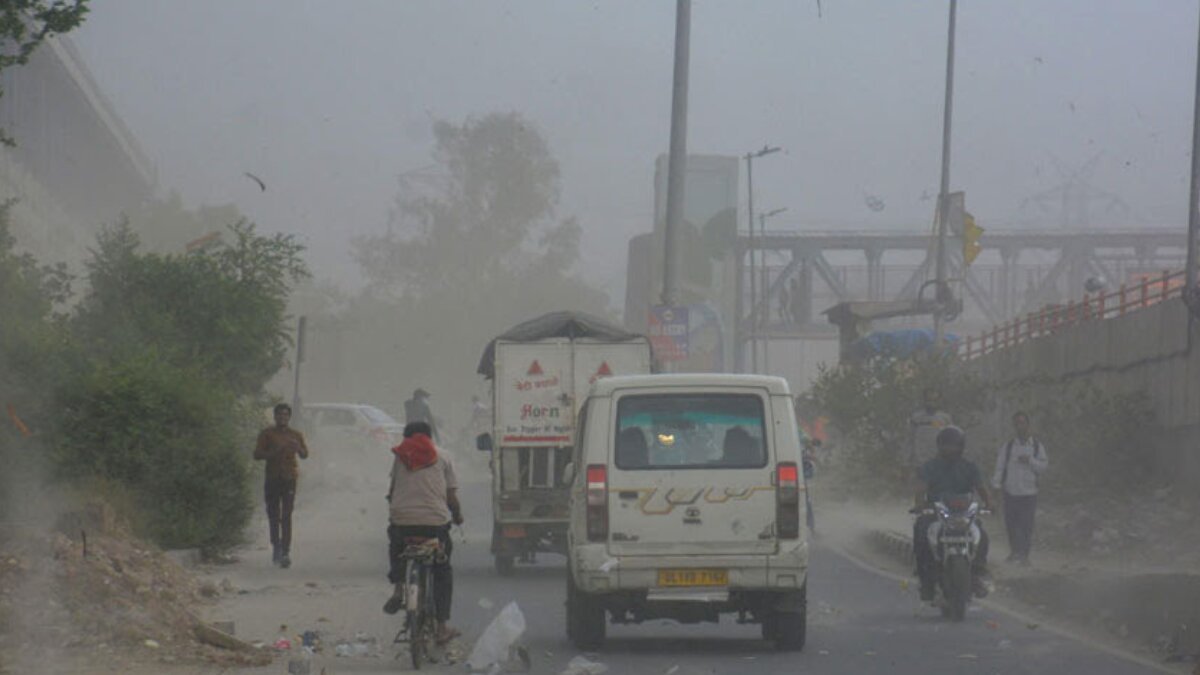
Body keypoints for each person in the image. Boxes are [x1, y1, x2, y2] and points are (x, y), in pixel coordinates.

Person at [384, 421, 463, 645]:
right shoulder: (444, 456)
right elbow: (451, 497)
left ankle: (399, 589)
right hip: (434, 524)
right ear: (429, 436)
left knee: (397, 545)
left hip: (403, 522)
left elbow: (392, 492)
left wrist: (398, 509)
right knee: (442, 570)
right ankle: (441, 628)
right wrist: (457, 516)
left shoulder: (400, 457)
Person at [912, 425, 992, 602]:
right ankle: (926, 579)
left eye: (954, 444)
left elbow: (981, 488)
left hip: (964, 515)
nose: (950, 448)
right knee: (921, 530)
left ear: (961, 446)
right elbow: (921, 489)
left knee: (982, 535)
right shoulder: (930, 467)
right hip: (936, 514)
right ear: (939, 445)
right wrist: (919, 505)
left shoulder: (969, 467)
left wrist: (989, 504)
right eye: (946, 444)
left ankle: (977, 573)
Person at [253, 403, 310, 568]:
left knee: (286, 515)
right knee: (273, 515)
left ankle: (285, 551)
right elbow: (257, 454)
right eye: (279, 414)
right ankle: (276, 546)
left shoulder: (295, 435)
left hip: (289, 478)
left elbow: (305, 454)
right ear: (275, 416)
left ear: (289, 417)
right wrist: (275, 451)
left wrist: (298, 448)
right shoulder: (267, 434)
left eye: (285, 415)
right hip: (272, 478)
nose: (282, 417)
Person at [991, 411, 1049, 565]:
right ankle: (1014, 552)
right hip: (1011, 492)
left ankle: (1024, 555)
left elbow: (1043, 467)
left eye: (1022, 423)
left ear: (1028, 425)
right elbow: (1000, 467)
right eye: (1017, 423)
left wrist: (1030, 460)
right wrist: (996, 486)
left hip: (1029, 493)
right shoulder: (1008, 447)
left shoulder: (1037, 446)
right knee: (1011, 524)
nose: (1020, 426)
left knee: (1026, 525)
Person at [909, 388, 953, 469]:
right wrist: (907, 460)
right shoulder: (916, 418)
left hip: (939, 462)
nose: (931, 403)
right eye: (929, 400)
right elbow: (910, 439)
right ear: (924, 400)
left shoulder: (945, 419)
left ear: (939, 401)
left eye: (935, 400)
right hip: (919, 462)